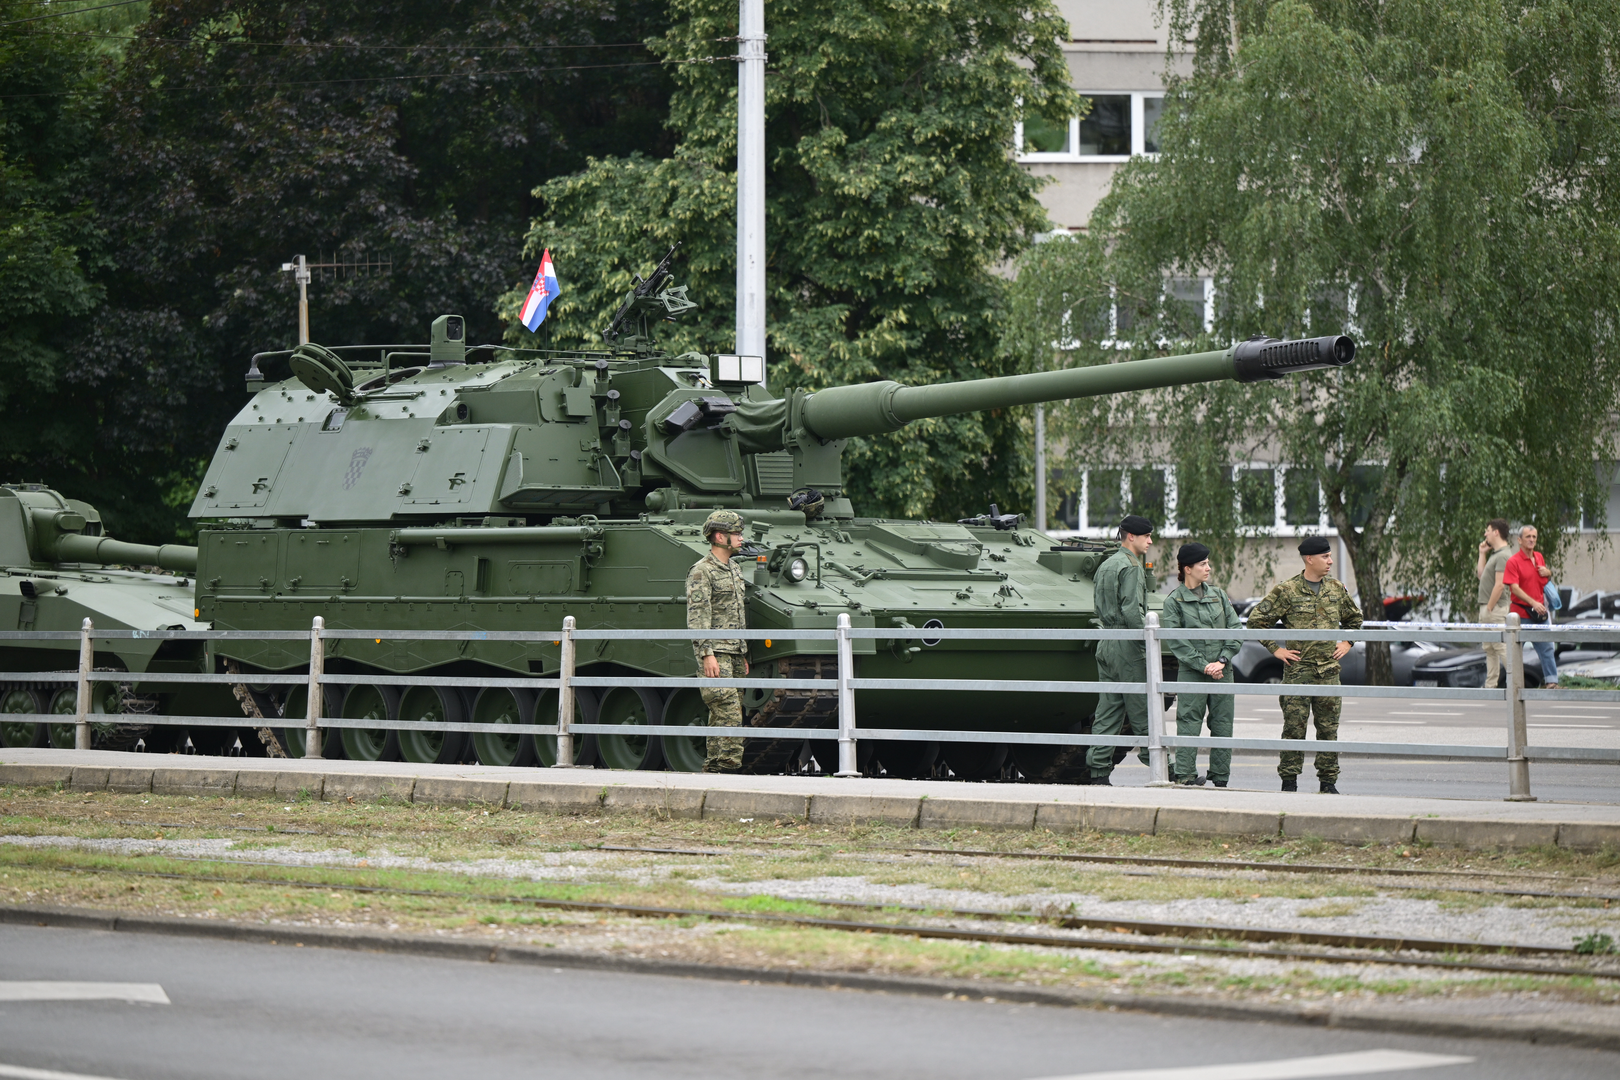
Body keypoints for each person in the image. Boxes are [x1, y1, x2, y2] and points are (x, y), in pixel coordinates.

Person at [1245, 536, 1363, 793]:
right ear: (1309, 559)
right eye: (1325, 557)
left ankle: (1328, 783)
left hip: (1329, 673)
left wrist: (1347, 643)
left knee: (1328, 731)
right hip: (1299, 672)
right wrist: (1276, 650)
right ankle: (1289, 782)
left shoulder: (1336, 589)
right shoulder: (1287, 590)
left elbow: (1355, 620)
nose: (1330, 561)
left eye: (1330, 556)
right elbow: (1256, 621)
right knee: (1293, 730)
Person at [1160, 543, 1243, 787]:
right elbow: (1177, 641)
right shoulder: (1174, 601)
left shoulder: (1218, 595)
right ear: (1187, 568)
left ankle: (1220, 777)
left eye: (1208, 563)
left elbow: (1235, 629)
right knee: (1188, 721)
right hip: (1193, 672)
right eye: (1203, 564)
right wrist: (1204, 665)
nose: (1208, 568)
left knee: (1222, 722)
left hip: (1222, 670)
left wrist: (1222, 660)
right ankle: (1185, 775)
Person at [1087, 515, 1154, 785]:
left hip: (1106, 641)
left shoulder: (1107, 564)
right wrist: (1146, 641)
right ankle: (1167, 767)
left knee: (1108, 709)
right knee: (1143, 708)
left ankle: (1098, 770)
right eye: (1146, 536)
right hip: (1127, 643)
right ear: (1131, 537)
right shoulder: (1131, 566)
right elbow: (1132, 611)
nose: (1150, 541)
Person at [686, 509, 751, 772]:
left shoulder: (734, 569)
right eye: (736, 533)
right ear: (720, 536)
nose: (741, 538)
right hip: (715, 654)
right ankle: (729, 770)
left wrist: (743, 652)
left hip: (735, 653)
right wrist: (707, 655)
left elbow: (737, 614)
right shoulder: (702, 571)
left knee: (721, 715)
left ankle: (713, 771)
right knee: (731, 715)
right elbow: (698, 617)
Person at [1503, 524, 1558, 689]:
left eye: (1534, 537)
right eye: (1528, 537)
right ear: (1519, 540)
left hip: (1539, 614)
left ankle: (1552, 682)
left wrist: (1549, 573)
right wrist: (1533, 602)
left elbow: (1542, 582)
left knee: (1547, 647)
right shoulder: (1513, 562)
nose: (1532, 540)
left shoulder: (1539, 557)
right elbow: (1514, 588)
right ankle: (1513, 684)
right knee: (1515, 652)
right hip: (1520, 614)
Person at [1475, 518, 1513, 688]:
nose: (1485, 534)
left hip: (1495, 609)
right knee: (1489, 648)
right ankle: (1491, 686)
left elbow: (1500, 585)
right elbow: (1481, 575)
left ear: (1496, 532)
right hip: (1487, 607)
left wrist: (1490, 608)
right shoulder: (1495, 554)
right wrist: (1482, 553)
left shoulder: (1504, 555)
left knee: (1500, 647)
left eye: (1488, 530)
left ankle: (1516, 682)